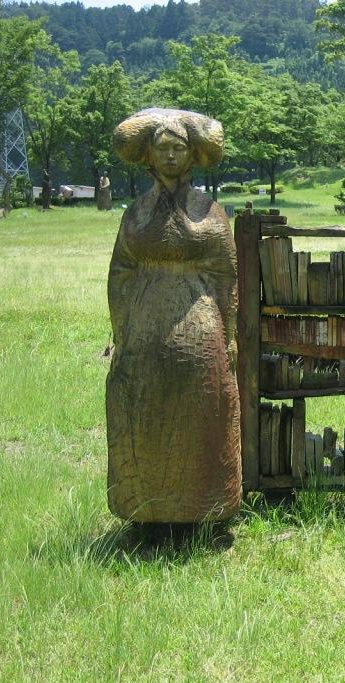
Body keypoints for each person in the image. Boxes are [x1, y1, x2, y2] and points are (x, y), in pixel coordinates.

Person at [106, 108, 241, 523]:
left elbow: (227, 276)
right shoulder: (136, 212)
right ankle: (143, 510)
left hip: (202, 332)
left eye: (178, 149)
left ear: (191, 155)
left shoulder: (210, 211)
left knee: (204, 415)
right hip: (143, 333)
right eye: (162, 148)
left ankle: (208, 509)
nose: (169, 156)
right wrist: (121, 329)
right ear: (148, 155)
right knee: (143, 414)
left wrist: (231, 334)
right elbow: (120, 272)